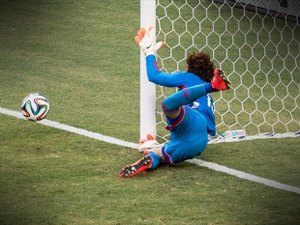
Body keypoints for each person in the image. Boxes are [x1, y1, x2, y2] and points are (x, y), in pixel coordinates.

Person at [119, 27, 230, 178]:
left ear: (189, 68)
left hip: (193, 122)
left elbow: (154, 76)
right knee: (157, 154)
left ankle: (212, 87)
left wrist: (149, 52)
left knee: (168, 105)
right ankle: (149, 158)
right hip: (199, 142)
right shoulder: (208, 99)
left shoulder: (187, 77)